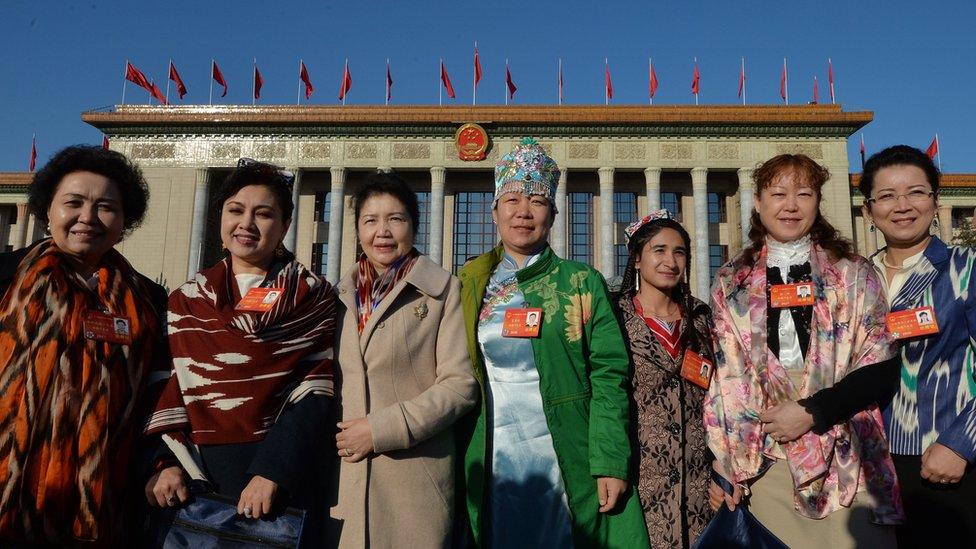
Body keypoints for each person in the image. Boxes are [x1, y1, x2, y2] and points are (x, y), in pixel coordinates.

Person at [704, 154, 903, 548]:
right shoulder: (732, 280)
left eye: (803, 193)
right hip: (767, 457)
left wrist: (812, 412)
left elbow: (880, 364)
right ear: (758, 203)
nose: (790, 205)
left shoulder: (852, 272)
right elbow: (728, 380)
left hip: (847, 449)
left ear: (817, 202)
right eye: (778, 193)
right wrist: (729, 465)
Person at [458, 138, 649, 548]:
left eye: (537, 200)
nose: (523, 211)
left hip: (566, 451)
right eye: (512, 199)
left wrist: (610, 461)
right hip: (492, 451)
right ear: (494, 213)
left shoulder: (581, 283)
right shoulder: (469, 284)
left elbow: (609, 376)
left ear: (554, 214)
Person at [144, 159, 336, 533]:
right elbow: (165, 386)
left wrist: (273, 470)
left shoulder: (312, 296)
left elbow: (315, 388)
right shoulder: (185, 300)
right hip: (194, 475)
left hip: (274, 482)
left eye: (263, 214)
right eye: (236, 210)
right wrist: (164, 463)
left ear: (284, 227)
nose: (246, 223)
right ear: (221, 218)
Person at [0, 145, 167, 546]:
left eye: (106, 207)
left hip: (103, 499)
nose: (87, 218)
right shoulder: (5, 278)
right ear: (47, 211)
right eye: (73, 203)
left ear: (125, 220)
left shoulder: (149, 299)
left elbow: (155, 395)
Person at [327, 172, 478, 548]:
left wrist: (381, 430)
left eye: (396, 219)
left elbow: (460, 386)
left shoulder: (443, 292)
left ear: (413, 225)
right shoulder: (336, 298)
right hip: (344, 481)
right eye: (370, 220)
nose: (383, 231)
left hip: (413, 479)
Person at [857, 145, 976, 546]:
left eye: (916, 192)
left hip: (942, 462)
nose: (902, 206)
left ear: (936, 202)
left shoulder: (964, 269)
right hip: (867, 467)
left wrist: (962, 443)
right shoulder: (856, 278)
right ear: (868, 211)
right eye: (887, 196)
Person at [614, 210, 714, 547]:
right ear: (637, 260)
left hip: (699, 487)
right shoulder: (615, 318)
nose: (670, 261)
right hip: (639, 484)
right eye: (659, 250)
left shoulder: (703, 320)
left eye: (679, 251)